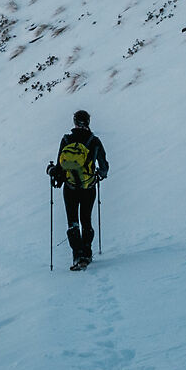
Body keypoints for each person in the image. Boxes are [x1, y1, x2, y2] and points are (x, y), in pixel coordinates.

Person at [47, 109, 108, 270]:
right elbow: (104, 166)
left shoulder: (67, 139)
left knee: (73, 222)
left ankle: (77, 255)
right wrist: (99, 175)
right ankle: (87, 253)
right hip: (89, 187)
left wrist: (53, 172)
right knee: (86, 219)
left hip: (70, 187)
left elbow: (60, 165)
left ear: (74, 122)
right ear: (88, 122)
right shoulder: (94, 141)